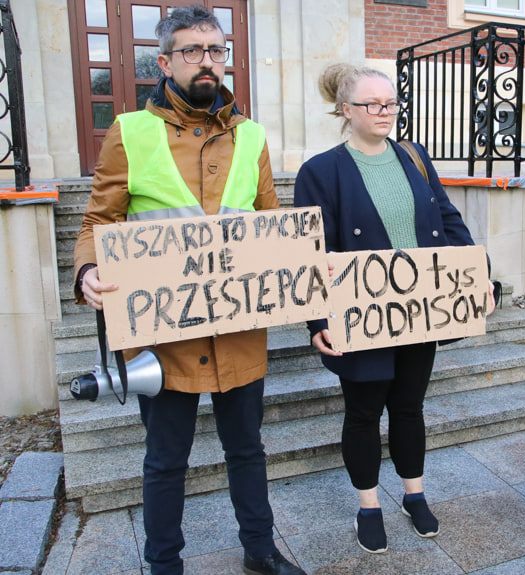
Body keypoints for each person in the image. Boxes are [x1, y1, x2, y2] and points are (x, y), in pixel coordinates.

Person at [72, 5, 305, 575]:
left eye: (216, 51)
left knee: (247, 449)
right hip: (162, 333)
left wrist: (302, 270)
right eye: (193, 51)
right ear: (166, 60)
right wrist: (84, 273)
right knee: (165, 460)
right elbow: (98, 221)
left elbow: (271, 222)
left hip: (238, 327)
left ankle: (261, 551)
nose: (207, 62)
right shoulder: (129, 131)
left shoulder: (251, 136)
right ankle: (164, 565)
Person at [293, 63, 496, 554]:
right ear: (345, 110)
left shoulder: (414, 157)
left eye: (390, 103)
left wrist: (478, 274)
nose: (385, 112)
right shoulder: (320, 171)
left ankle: (414, 494)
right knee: (363, 413)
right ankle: (368, 505)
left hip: (419, 313)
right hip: (359, 316)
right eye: (372, 104)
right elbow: (308, 252)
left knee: (409, 407)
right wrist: (317, 320)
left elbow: (448, 221)